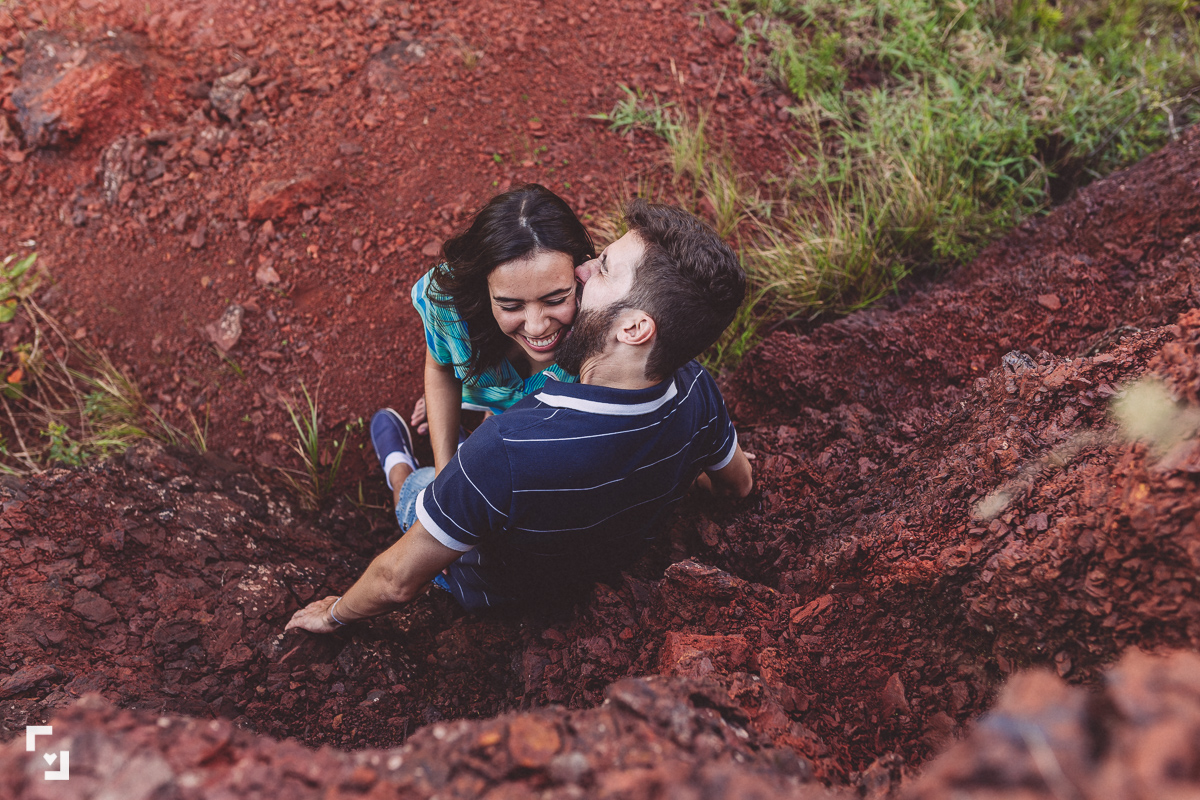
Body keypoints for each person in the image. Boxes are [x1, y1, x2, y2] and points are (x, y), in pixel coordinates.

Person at [285, 200, 752, 632]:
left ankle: (397, 467)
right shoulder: (698, 390)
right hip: (607, 568)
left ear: (634, 327)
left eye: (605, 268)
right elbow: (740, 484)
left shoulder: (505, 449)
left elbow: (394, 582)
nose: (585, 268)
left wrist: (332, 614)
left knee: (423, 496)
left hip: (491, 592)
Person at [410, 183, 595, 477]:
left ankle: (490, 416)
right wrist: (443, 473)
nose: (536, 326)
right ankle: (480, 408)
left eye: (556, 299)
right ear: (483, 289)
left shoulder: (608, 321)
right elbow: (441, 369)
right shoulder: (449, 304)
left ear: (582, 275)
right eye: (510, 306)